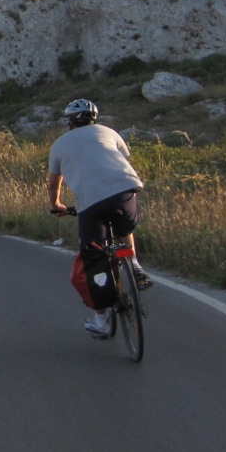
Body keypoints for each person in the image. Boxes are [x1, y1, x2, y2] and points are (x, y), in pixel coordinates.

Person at [47, 98, 152, 339]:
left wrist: (56, 205)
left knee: (94, 258)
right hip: (125, 189)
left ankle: (101, 321)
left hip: (91, 201)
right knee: (124, 227)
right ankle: (134, 265)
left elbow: (54, 184)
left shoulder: (60, 144)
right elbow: (120, 158)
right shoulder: (109, 132)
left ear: (70, 122)